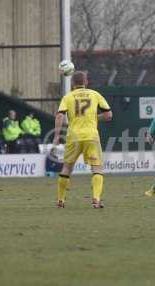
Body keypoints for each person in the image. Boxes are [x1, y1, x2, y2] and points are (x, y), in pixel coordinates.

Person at [53, 71, 113, 208]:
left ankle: (61, 200)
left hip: (73, 137)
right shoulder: (94, 94)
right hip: (91, 136)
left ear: (73, 84)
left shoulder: (67, 97)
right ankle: (96, 199)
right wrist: (94, 118)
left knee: (67, 168)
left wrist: (56, 136)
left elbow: (60, 116)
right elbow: (109, 115)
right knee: (97, 168)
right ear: (86, 82)